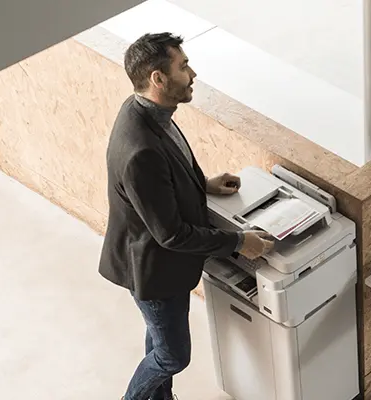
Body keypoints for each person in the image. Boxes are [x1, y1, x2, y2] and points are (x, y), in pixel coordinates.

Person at [98, 32, 275, 400]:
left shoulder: (147, 111)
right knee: (172, 355)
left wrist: (202, 183)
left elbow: (166, 173)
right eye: (183, 67)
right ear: (157, 79)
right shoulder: (140, 149)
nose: (192, 74)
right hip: (153, 270)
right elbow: (172, 235)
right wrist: (241, 241)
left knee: (158, 337)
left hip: (157, 262)